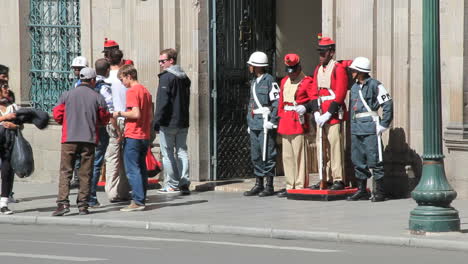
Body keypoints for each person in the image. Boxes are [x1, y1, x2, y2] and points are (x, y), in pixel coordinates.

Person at [52, 68, 110, 216]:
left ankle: (63, 204)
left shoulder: (67, 95)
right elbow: (104, 118)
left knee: (66, 172)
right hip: (88, 139)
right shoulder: (97, 97)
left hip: (69, 138)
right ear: (92, 81)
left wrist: (68, 123)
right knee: (85, 173)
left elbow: (57, 115)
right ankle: (83, 205)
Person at [297, 36, 348, 190]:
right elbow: (313, 92)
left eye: (323, 53)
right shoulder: (318, 69)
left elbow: (340, 93)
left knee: (335, 147)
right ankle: (323, 178)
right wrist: (317, 112)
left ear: (331, 53)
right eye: (320, 52)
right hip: (321, 112)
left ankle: (338, 178)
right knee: (321, 147)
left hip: (332, 115)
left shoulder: (338, 68)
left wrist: (329, 113)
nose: (320, 56)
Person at [346, 57, 393, 202]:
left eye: (354, 70)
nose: (352, 72)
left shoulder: (375, 85)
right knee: (357, 159)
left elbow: (387, 103)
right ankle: (362, 190)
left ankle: (380, 191)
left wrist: (384, 124)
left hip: (370, 127)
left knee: (375, 158)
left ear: (361, 71)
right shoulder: (354, 88)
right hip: (356, 127)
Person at [113, 64, 153, 211]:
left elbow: (135, 114)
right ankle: (141, 198)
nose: (122, 83)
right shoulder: (146, 91)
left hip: (133, 134)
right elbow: (150, 116)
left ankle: (137, 201)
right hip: (144, 135)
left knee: (132, 169)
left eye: (122, 79)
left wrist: (119, 113)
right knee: (141, 168)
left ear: (129, 76)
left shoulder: (132, 91)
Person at [154, 48, 191, 195]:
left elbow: (162, 102)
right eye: (160, 61)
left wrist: (157, 121)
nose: (161, 64)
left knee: (167, 153)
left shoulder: (167, 78)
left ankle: (172, 184)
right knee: (182, 151)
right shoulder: (184, 77)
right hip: (182, 120)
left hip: (169, 122)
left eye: (163, 61)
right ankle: (184, 182)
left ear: (171, 61)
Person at [243, 51, 279, 197]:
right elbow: (251, 104)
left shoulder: (270, 80)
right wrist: (249, 122)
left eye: (251, 65)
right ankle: (259, 183)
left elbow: (277, 102)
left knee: (268, 154)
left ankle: (269, 185)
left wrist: (273, 121)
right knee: (256, 154)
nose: (249, 67)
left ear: (257, 66)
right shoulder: (253, 82)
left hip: (265, 123)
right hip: (254, 123)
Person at [276, 54, 313, 197]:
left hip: (298, 120)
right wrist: (279, 117)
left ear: (298, 68)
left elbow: (312, 99)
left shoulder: (306, 81)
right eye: (289, 71)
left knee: (299, 155)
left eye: (293, 71)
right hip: (286, 119)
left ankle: (300, 184)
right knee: (287, 156)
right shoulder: (284, 81)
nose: (291, 74)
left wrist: (306, 108)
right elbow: (281, 101)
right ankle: (289, 185)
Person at [104, 49, 131, 203]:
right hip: (126, 118)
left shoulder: (107, 78)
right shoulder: (125, 77)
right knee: (125, 157)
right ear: (122, 60)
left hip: (112, 119)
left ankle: (112, 191)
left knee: (113, 157)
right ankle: (123, 190)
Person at [88, 59, 114, 208]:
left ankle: (84, 195)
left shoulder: (81, 84)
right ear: (108, 70)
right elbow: (109, 108)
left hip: (84, 128)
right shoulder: (104, 88)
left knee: (85, 163)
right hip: (99, 128)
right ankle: (91, 197)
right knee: (96, 163)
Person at [0, 80, 18, 214]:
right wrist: (4, 118)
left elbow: (21, 124)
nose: (7, 89)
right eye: (4, 87)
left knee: (7, 172)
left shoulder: (13, 106)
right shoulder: (7, 112)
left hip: (8, 144)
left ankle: (4, 203)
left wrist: (14, 126)